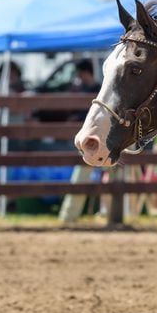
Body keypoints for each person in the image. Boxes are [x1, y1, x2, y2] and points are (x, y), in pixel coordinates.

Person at [59, 59, 103, 223]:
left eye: (80, 73)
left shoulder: (97, 89)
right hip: (91, 137)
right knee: (83, 173)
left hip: (96, 137)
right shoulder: (86, 88)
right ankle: (70, 215)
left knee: (86, 173)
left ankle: (71, 215)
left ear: (86, 72)